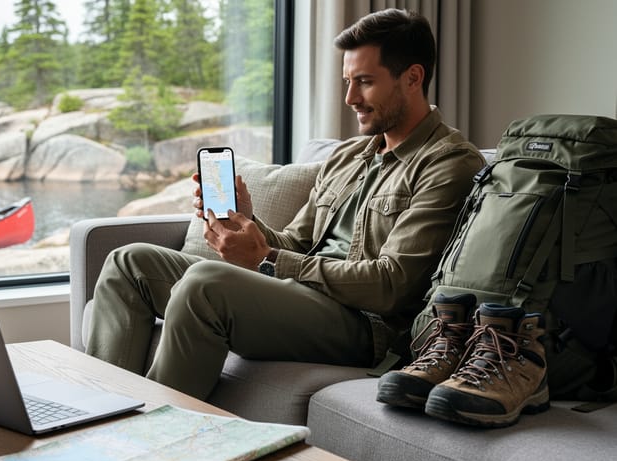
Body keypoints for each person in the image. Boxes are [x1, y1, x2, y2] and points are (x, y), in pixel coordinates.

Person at [85, 8, 485, 403]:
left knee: (205, 284)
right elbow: (296, 240)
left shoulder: (448, 163)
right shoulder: (348, 157)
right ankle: (100, 414)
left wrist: (267, 259)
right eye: (347, 81)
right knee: (129, 263)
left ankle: (154, 440)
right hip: (299, 294)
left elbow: (391, 285)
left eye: (364, 82)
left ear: (413, 77)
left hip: (366, 324)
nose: (349, 98)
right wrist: (248, 219)